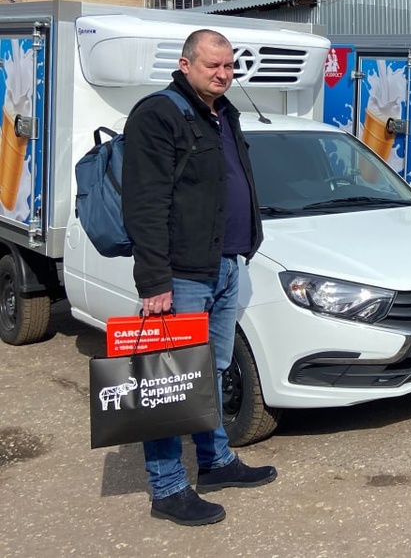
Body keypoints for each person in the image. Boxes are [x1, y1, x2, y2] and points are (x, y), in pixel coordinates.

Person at [123, 30, 277, 526]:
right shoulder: (158, 114)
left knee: (209, 372)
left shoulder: (224, 113)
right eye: (213, 65)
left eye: (229, 66)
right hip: (182, 275)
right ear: (186, 64)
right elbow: (145, 202)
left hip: (227, 265)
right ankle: (167, 488)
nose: (223, 74)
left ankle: (215, 462)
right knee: (170, 380)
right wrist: (154, 281)